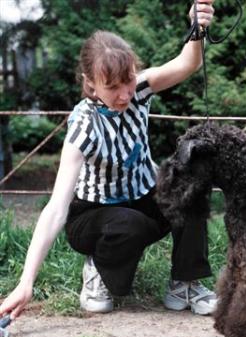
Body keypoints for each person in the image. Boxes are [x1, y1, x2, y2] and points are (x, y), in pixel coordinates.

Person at [0, 0, 217, 319]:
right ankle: (97, 270)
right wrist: (25, 282)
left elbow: (187, 64)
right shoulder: (84, 126)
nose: (125, 94)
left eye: (128, 80)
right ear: (91, 83)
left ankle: (185, 282)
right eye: (112, 87)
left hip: (144, 198)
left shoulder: (140, 90)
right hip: (93, 216)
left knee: (190, 186)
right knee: (129, 224)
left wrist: (197, 29)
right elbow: (57, 207)